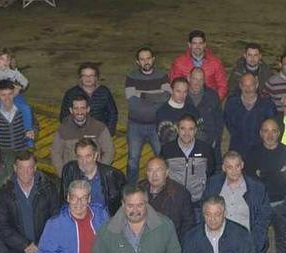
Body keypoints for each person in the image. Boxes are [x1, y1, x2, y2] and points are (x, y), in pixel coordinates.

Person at [125, 46, 171, 185]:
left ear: (153, 59)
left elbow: (166, 97)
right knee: (133, 159)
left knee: (162, 158)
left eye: (148, 58)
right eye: (142, 59)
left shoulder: (162, 75)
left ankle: (164, 186)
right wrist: (156, 95)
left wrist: (141, 94)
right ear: (138, 62)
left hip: (157, 125)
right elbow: (131, 100)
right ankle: (131, 188)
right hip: (135, 125)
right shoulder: (131, 76)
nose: (146, 62)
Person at [159, 115, 217, 211]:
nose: (186, 133)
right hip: (173, 201)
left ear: (195, 131)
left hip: (198, 202)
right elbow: (162, 172)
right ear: (177, 130)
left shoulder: (206, 149)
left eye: (190, 129)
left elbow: (211, 170)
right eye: (183, 129)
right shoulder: (167, 150)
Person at [60, 138, 128, 216]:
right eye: (80, 157)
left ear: (96, 155)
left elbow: (126, 202)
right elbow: (63, 201)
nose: (84, 161)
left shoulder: (113, 175)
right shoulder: (69, 170)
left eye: (88, 156)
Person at [51, 94, 115, 175]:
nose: (79, 112)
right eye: (76, 108)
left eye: (83, 108)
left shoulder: (100, 128)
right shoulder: (63, 129)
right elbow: (55, 153)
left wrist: (99, 173)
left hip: (94, 174)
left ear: (88, 109)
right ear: (71, 110)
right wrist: (63, 174)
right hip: (71, 175)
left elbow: (109, 151)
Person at [224, 74, 278, 158]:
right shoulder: (232, 103)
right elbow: (229, 124)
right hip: (238, 150)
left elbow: (273, 125)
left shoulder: (267, 104)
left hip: (261, 151)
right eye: (245, 85)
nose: (248, 89)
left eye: (251, 85)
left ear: (256, 85)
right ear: (240, 86)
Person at [245, 118, 286, 207]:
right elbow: (250, 182)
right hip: (259, 203)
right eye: (266, 131)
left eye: (274, 131)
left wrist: (263, 174)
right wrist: (278, 173)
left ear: (279, 133)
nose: (270, 135)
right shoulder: (251, 154)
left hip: (283, 203)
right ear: (261, 133)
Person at [58, 62, 119, 136]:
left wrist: (108, 133)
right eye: (85, 76)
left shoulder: (104, 92)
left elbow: (113, 114)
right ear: (80, 78)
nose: (88, 78)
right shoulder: (71, 94)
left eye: (91, 75)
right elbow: (64, 116)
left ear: (96, 77)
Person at [0, 79, 37, 152]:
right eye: (3, 95)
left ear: (15, 94)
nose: (7, 98)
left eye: (10, 94)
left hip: (22, 151)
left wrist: (33, 132)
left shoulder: (24, 110)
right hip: (2, 153)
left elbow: (35, 124)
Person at [169, 29, 228, 100]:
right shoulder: (179, 62)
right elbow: (175, 84)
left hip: (209, 100)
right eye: (194, 43)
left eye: (200, 43)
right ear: (189, 45)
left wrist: (214, 101)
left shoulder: (215, 62)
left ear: (205, 44)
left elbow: (222, 85)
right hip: (187, 100)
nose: (198, 46)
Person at [187, 67, 225, 163]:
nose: (197, 83)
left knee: (214, 170)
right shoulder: (182, 95)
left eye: (201, 80)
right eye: (195, 79)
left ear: (204, 81)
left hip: (210, 142)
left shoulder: (212, 95)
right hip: (187, 142)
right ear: (189, 78)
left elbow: (219, 120)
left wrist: (216, 140)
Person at [155, 77, 199, 145]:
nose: (181, 95)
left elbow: (201, 132)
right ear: (171, 91)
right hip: (171, 152)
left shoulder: (193, 110)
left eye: (185, 92)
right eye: (178, 91)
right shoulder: (162, 112)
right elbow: (164, 138)